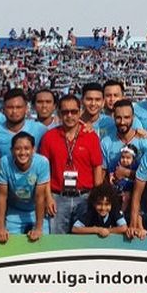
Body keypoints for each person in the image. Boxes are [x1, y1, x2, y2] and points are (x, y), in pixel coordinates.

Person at [39, 95, 104, 234]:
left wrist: (96, 196)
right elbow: (43, 172)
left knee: (84, 241)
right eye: (65, 112)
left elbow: (97, 168)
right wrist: (48, 197)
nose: (69, 116)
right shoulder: (49, 137)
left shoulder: (91, 137)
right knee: (58, 240)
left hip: (85, 197)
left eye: (74, 112)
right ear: (58, 113)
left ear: (80, 112)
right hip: (58, 197)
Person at [0, 132, 50, 242]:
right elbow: (1, 196)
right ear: (11, 150)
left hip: (35, 211)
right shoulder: (5, 162)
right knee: (8, 241)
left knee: (43, 240)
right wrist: (0, 227)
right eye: (18, 149)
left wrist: (38, 228)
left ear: (33, 149)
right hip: (14, 211)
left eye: (27, 148)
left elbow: (40, 197)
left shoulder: (42, 162)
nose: (22, 153)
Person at [100, 100, 147, 211]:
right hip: (115, 198)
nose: (122, 122)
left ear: (133, 117)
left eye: (126, 117)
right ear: (113, 117)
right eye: (118, 117)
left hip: (142, 199)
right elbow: (102, 173)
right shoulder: (106, 142)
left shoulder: (144, 142)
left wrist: (127, 173)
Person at [0, 88, 47, 159]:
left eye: (18, 107)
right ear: (3, 109)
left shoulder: (40, 130)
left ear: (26, 109)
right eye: (10, 107)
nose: (14, 111)